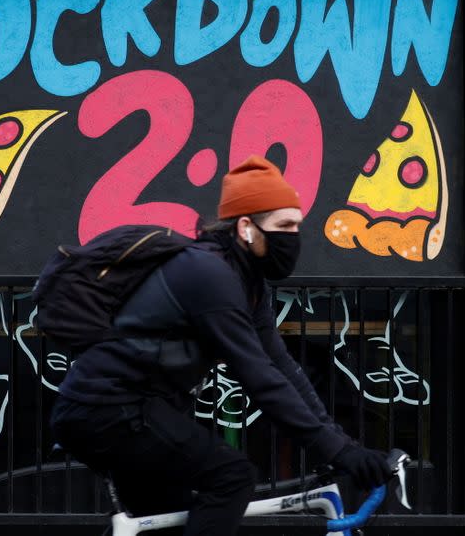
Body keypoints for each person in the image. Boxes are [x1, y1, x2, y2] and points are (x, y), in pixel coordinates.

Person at [49, 155, 391, 536]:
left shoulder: (250, 284)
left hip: (129, 410)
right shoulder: (208, 274)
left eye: (297, 225)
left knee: (170, 520)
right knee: (232, 478)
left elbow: (283, 368)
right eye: (284, 225)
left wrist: (342, 443)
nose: (293, 236)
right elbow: (259, 378)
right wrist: (338, 452)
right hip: (107, 410)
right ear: (246, 227)